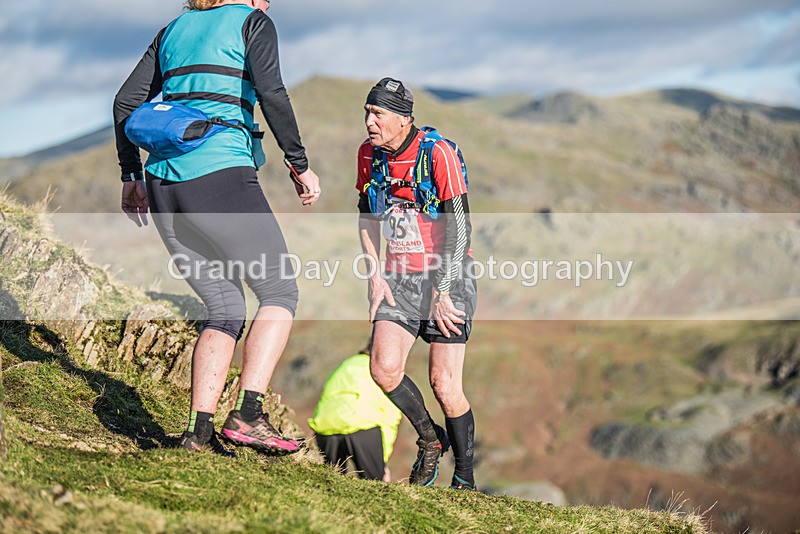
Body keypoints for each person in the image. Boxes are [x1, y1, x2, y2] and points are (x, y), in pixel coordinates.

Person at [113, 0, 321, 456]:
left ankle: (197, 433)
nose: (268, 3)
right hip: (220, 173)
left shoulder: (173, 29)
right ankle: (248, 415)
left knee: (225, 307)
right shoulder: (252, 23)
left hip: (163, 184)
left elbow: (125, 103)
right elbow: (273, 94)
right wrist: (299, 164)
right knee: (279, 291)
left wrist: (131, 176)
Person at [355, 78, 477, 490]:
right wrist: (374, 274)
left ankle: (464, 479)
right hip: (398, 278)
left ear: (404, 120)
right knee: (383, 368)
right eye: (367, 113)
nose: (370, 122)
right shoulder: (369, 156)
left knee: (445, 383)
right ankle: (429, 439)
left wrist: (443, 291)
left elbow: (460, 228)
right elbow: (367, 218)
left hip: (449, 274)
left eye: (379, 115)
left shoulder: (437, 153)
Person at [308, 343, 402, 481]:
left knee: (330, 481)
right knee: (375, 485)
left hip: (325, 427)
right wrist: (382, 461)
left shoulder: (347, 364)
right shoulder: (382, 372)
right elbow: (390, 415)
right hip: (362, 426)